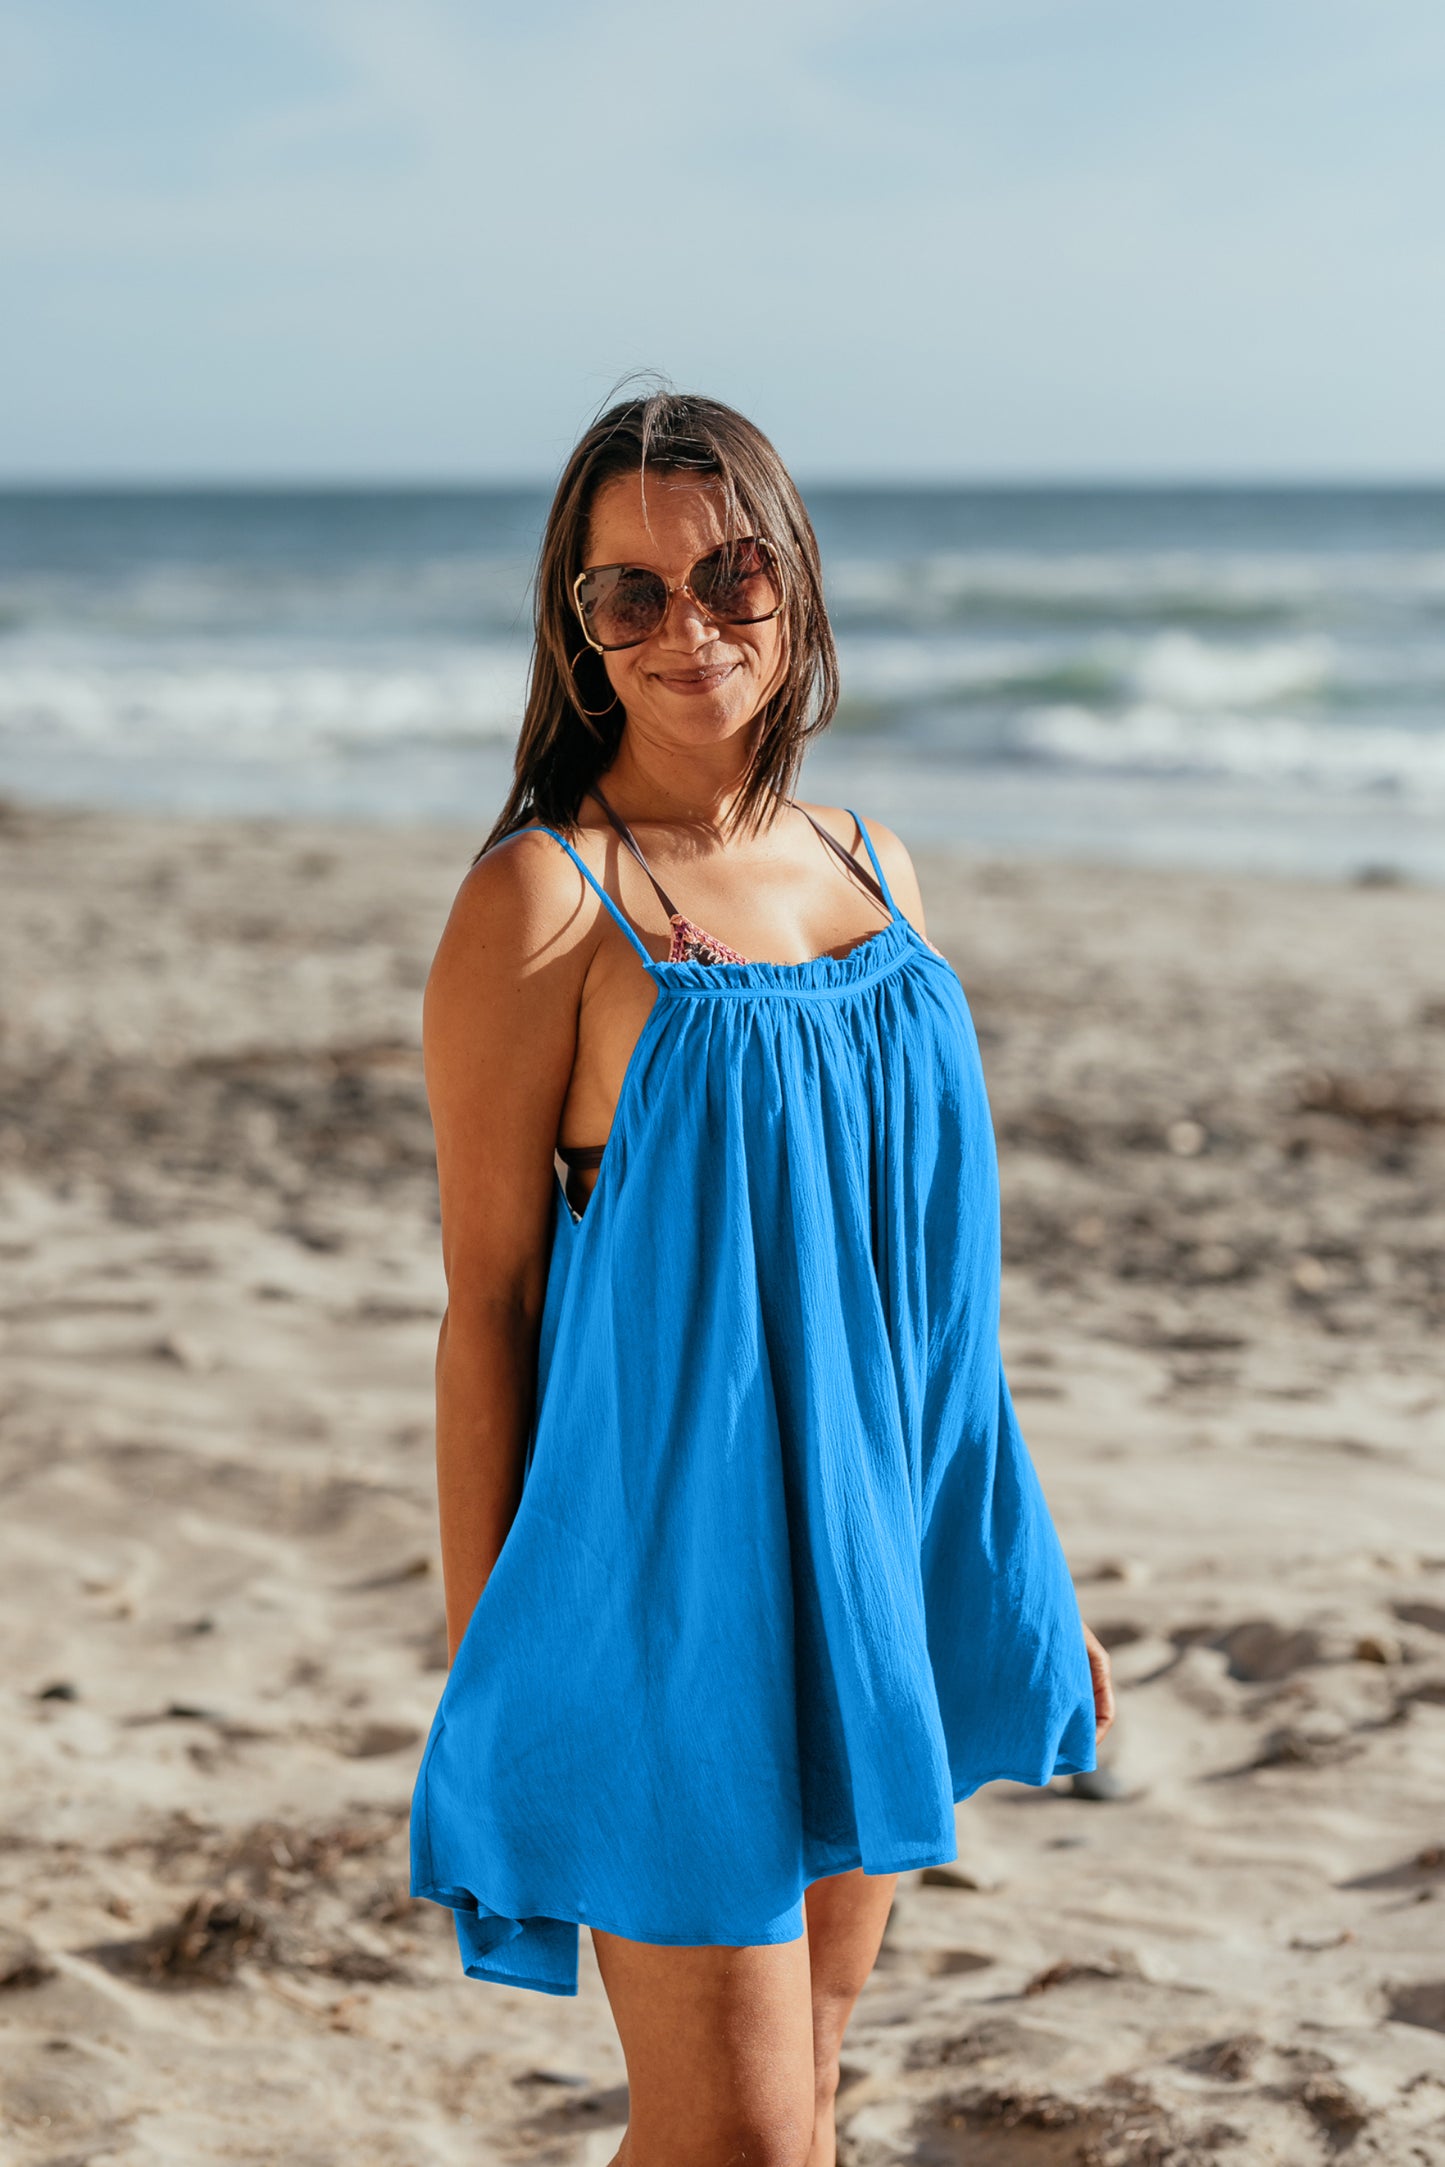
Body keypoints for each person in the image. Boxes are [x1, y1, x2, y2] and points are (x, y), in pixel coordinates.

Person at [409, 391, 1115, 2167]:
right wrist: (488, 1660)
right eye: (625, 596)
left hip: (875, 1564)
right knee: (734, 2140)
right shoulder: (546, 903)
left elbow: (930, 1298)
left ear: (792, 582)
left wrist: (997, 1556)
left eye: (727, 574)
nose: (687, 628)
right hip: (654, 1601)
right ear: (574, 631)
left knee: (794, 2111)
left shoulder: (875, 863)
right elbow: (485, 1305)